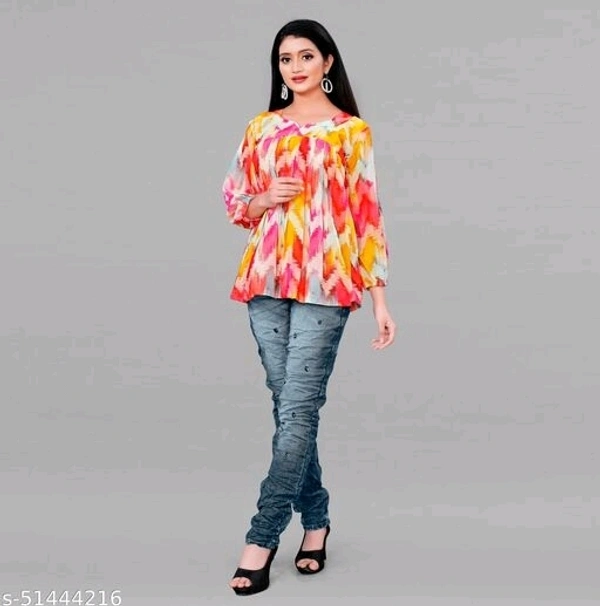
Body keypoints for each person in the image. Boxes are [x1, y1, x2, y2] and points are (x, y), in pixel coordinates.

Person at [222, 19, 396, 596]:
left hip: (328, 281)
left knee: (298, 411)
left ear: (327, 62)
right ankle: (316, 520)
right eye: (285, 59)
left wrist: (379, 297)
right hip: (267, 278)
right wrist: (262, 198)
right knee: (288, 407)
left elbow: (366, 214)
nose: (294, 67)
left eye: (305, 56)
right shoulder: (261, 127)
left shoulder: (352, 133)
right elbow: (235, 199)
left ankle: (261, 538)